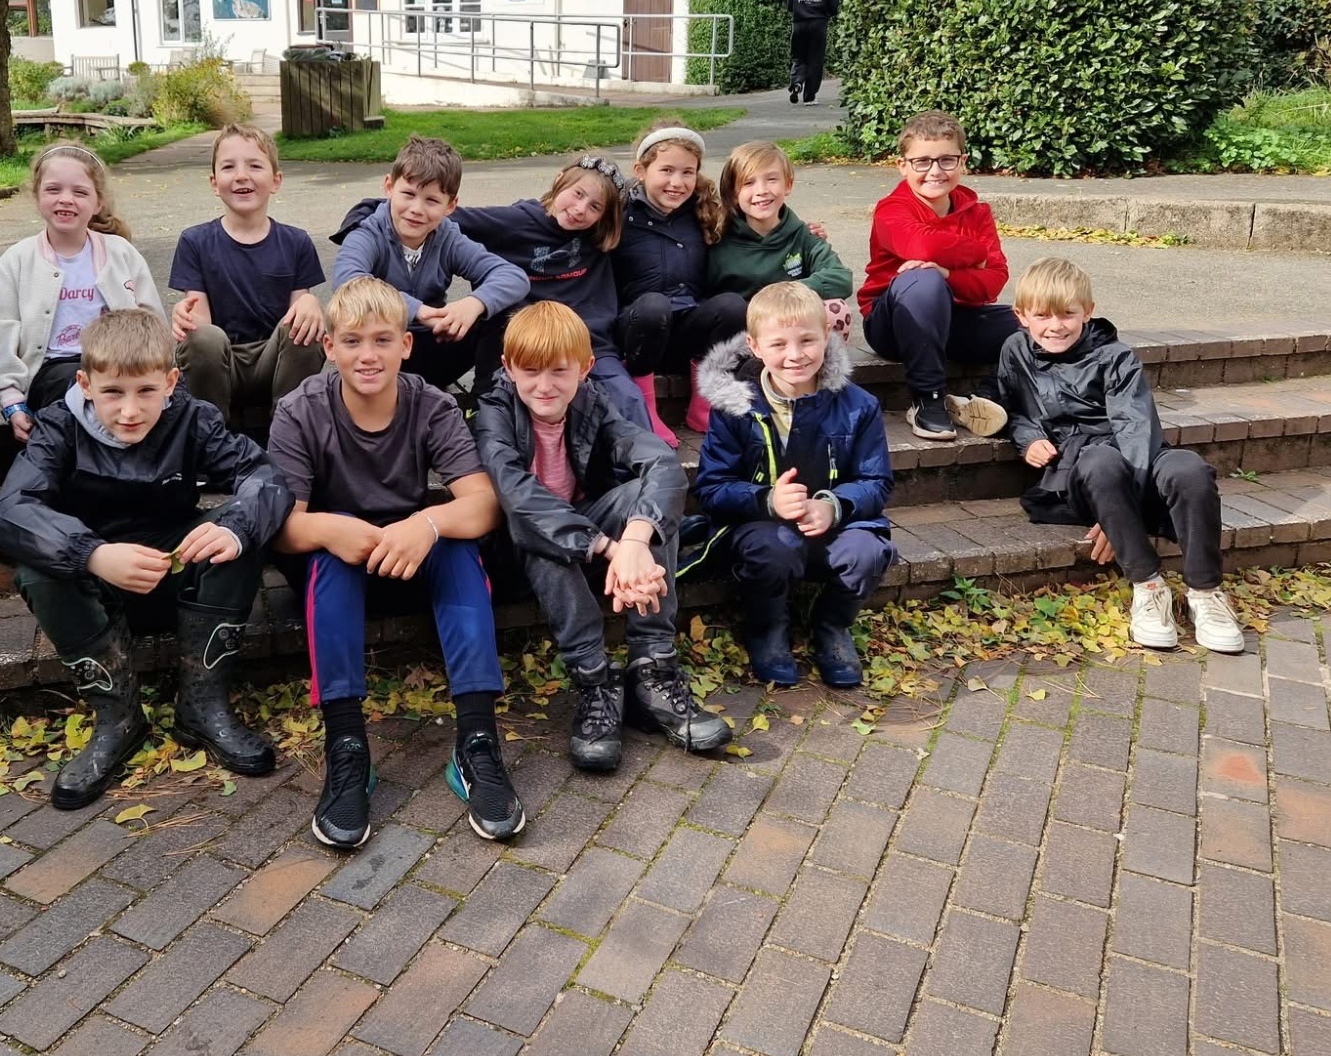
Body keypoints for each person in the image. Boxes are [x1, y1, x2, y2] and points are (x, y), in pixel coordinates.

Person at [0, 309, 293, 802]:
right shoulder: (58, 426)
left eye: (146, 391)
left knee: (236, 533)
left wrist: (235, 529)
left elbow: (267, 478)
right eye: (113, 393)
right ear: (86, 384)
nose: (130, 410)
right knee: (37, 567)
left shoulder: (193, 418)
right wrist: (92, 553)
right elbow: (9, 511)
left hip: (176, 575)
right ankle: (118, 718)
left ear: (171, 382)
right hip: (99, 584)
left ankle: (202, 705)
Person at [268, 277, 524, 850]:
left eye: (382, 340)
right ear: (329, 348)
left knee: (459, 549)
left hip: (409, 553)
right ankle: (347, 747)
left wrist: (425, 524)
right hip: (337, 558)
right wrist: (334, 528)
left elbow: (482, 503)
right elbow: (282, 528)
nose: (368, 355)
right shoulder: (300, 410)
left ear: (406, 345)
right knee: (329, 563)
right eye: (352, 341)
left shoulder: (430, 403)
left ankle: (478, 742)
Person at [472, 303, 729, 771]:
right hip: (518, 553)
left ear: (585, 369)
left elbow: (662, 464)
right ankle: (594, 680)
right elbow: (521, 499)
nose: (545, 386)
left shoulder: (592, 401)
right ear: (507, 367)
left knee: (649, 502)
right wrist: (612, 548)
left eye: (559, 372)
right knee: (538, 530)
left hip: (588, 532)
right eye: (530, 371)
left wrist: (634, 540)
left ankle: (652, 667)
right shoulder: (493, 411)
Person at [996, 258, 1245, 655]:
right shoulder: (1016, 351)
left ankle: (1206, 593)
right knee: (1099, 462)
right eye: (1042, 315)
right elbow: (1014, 409)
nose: (1055, 326)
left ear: (1088, 313)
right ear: (1022, 316)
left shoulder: (1116, 356)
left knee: (1190, 470)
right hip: (1079, 472)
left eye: (1067, 314)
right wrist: (1028, 440)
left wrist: (1121, 512)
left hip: (1137, 460)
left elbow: (1135, 429)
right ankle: (1148, 588)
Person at [692, 281, 897, 689]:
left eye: (807, 340)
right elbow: (712, 487)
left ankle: (832, 626)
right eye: (779, 343)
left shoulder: (859, 406)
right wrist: (767, 500)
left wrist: (834, 506)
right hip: (761, 528)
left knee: (868, 550)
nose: (795, 355)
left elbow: (876, 481)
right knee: (773, 549)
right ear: (754, 346)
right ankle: (768, 628)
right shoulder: (736, 407)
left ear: (828, 336)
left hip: (834, 525)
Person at [452, 157, 651, 432]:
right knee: (507, 412)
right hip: (531, 345)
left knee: (627, 399)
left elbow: (656, 207)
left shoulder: (598, 239)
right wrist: (374, 214)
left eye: (595, 207)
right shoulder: (517, 221)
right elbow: (445, 216)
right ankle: (485, 419)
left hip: (588, 344)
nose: (580, 209)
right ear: (559, 180)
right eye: (577, 194)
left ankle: (645, 470)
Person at [0, 144, 165, 438]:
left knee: (168, 402)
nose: (65, 200)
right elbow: (0, 340)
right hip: (53, 372)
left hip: (122, 368)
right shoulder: (15, 262)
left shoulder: (121, 254)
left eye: (80, 192)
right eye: (53, 189)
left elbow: (153, 322)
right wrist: (11, 400)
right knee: (75, 389)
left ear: (98, 203)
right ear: (37, 195)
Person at [857, 112, 1013, 443]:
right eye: (922, 162)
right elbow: (923, 244)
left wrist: (947, 271)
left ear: (963, 161)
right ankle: (928, 401)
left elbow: (995, 281)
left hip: (954, 319)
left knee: (1033, 324)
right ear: (902, 165)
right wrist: (977, 254)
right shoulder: (892, 209)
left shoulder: (977, 212)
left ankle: (986, 398)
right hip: (894, 324)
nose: (935, 171)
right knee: (923, 282)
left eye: (946, 160)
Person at [330, 135, 530, 391]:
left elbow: (512, 276)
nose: (416, 208)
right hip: (382, 349)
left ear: (451, 205)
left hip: (435, 343)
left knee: (507, 307)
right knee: (357, 301)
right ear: (389, 187)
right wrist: (419, 311)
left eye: (432, 200)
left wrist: (472, 305)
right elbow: (348, 280)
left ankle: (486, 401)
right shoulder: (368, 234)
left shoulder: (448, 237)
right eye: (408, 194)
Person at [168, 125, 328, 437]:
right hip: (222, 366)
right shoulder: (195, 242)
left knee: (307, 329)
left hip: (273, 362)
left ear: (276, 181)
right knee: (202, 337)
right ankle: (211, 437)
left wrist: (309, 301)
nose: (242, 175)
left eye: (254, 165)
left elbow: (297, 323)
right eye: (229, 167)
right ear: (215, 183)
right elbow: (201, 327)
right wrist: (185, 318)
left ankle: (288, 434)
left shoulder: (296, 242)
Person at [614, 122, 746, 445]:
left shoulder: (704, 212)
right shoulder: (617, 214)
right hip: (637, 333)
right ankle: (646, 410)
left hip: (685, 332)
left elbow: (757, 232)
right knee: (653, 305)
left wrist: (803, 235)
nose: (677, 182)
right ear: (641, 170)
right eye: (667, 170)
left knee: (732, 306)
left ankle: (703, 405)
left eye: (687, 172)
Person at [707, 141, 855, 339]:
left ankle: (817, 370)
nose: (761, 190)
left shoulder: (803, 235)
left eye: (771, 179)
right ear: (734, 193)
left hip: (791, 330)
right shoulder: (716, 239)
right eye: (748, 183)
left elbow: (841, 278)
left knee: (836, 309)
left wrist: (784, 294)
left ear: (788, 185)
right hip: (739, 331)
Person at [785, 0, 838, 105]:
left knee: (799, 57)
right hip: (817, 26)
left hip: (799, 25)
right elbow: (834, 7)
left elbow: (789, 5)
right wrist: (824, 14)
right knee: (815, 60)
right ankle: (809, 96)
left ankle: (797, 82)